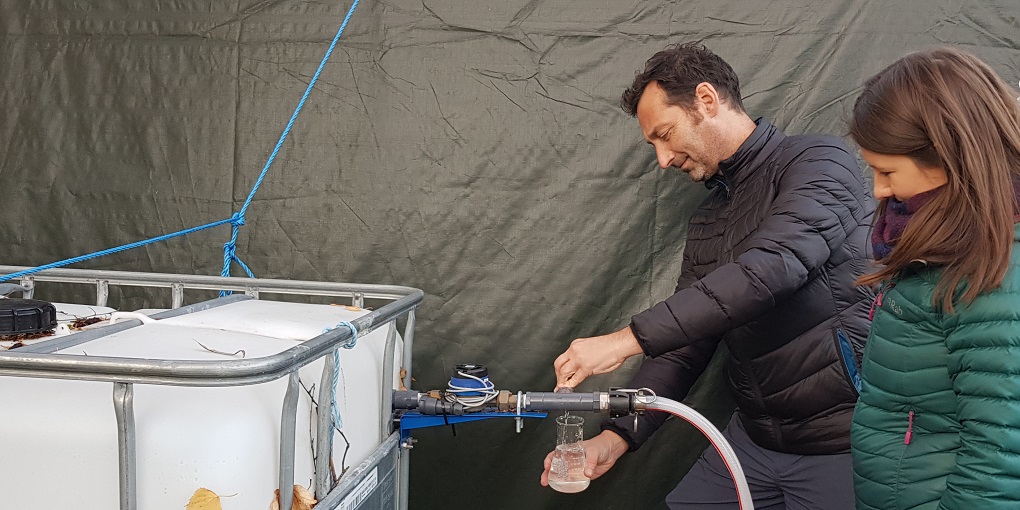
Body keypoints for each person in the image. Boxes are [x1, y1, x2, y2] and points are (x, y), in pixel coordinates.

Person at [539, 42, 875, 509]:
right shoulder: (708, 220)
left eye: (665, 134)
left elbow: (770, 270)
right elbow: (685, 345)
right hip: (753, 443)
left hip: (845, 446)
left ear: (706, 99)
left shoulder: (819, 163)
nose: (662, 159)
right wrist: (616, 437)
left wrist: (623, 341)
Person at [848, 47, 1020, 510]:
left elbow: (1000, 455)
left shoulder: (991, 270)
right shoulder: (936, 239)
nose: (879, 190)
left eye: (887, 171)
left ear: (949, 158)